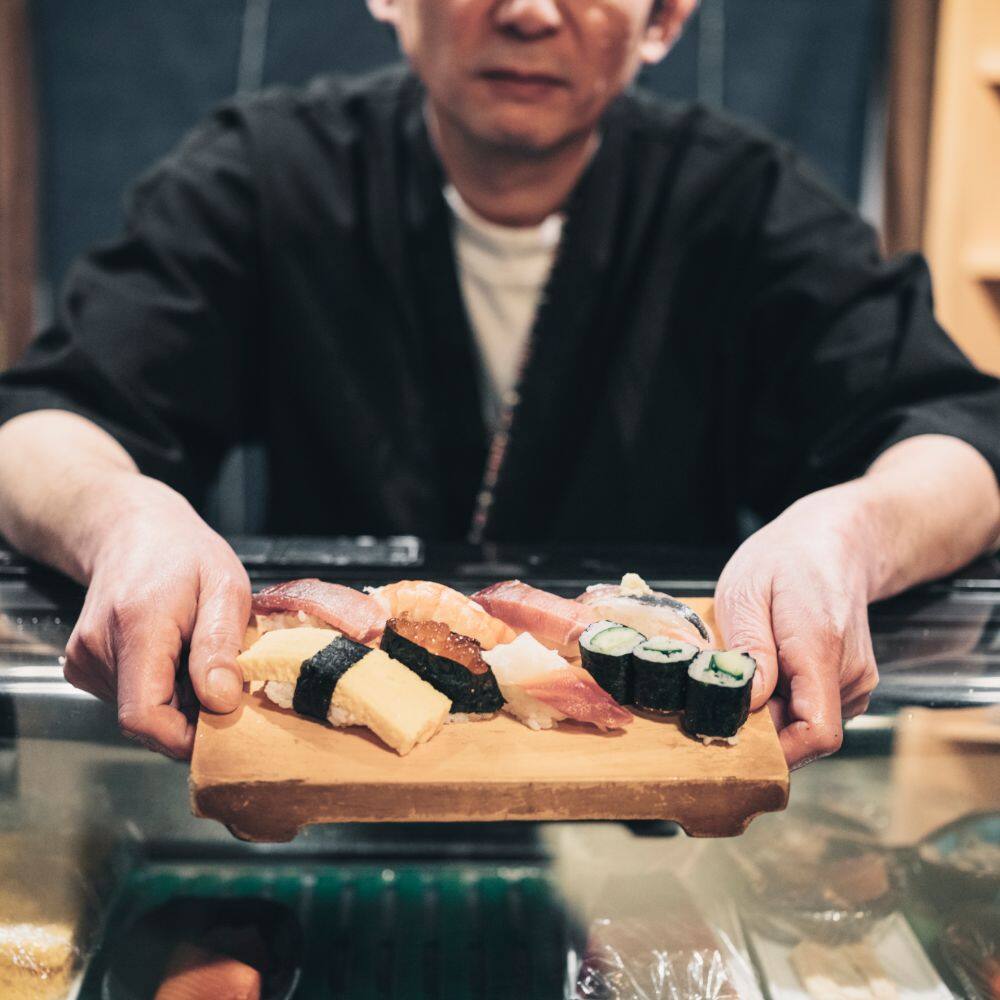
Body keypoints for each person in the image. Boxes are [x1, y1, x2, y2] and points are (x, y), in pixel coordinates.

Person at [0, 0, 997, 767]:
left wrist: (847, 533)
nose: (528, 10)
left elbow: (956, 434)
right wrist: (124, 518)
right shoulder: (264, 172)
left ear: (667, 17)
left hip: (641, 803)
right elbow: (47, 421)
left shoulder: (743, 202)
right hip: (337, 772)